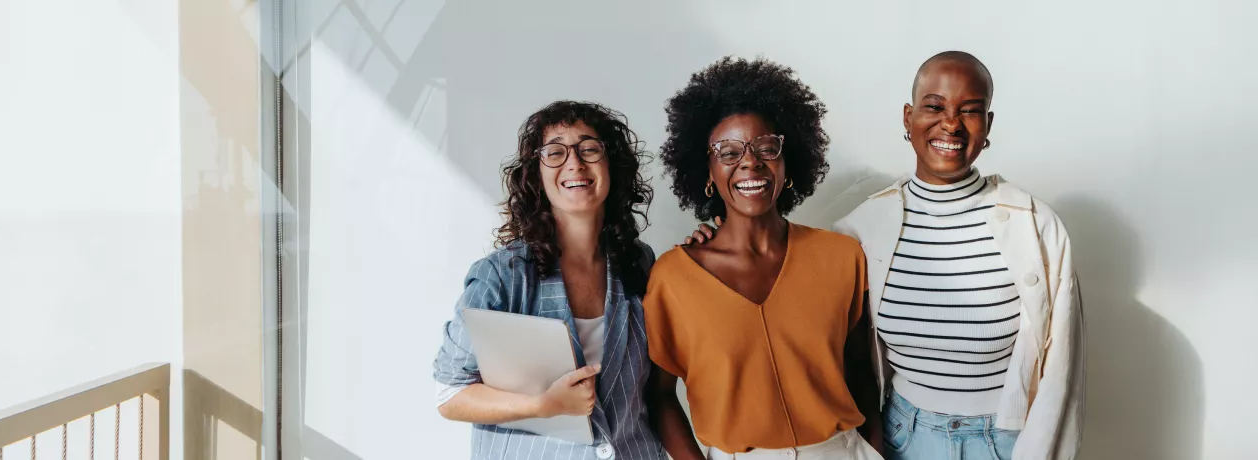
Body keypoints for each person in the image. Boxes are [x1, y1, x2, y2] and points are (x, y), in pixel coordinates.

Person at [685, 51, 1085, 460]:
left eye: (970, 110)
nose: (951, 123)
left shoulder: (1036, 227)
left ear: (988, 125)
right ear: (908, 118)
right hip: (902, 438)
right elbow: (825, 351)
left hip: (1006, 441)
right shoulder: (859, 232)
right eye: (935, 107)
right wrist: (720, 241)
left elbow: (1063, 374)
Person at [644, 56, 884, 460]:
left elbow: (862, 374)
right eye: (728, 152)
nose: (750, 162)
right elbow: (660, 395)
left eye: (766, 148)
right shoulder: (673, 278)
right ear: (707, 171)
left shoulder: (842, 257)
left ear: (788, 163)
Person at [433, 101, 667, 460]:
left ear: (612, 165)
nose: (575, 163)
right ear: (536, 176)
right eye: (555, 153)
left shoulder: (639, 263)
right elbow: (450, 394)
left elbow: (655, 390)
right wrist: (542, 405)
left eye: (589, 149)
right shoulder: (502, 276)